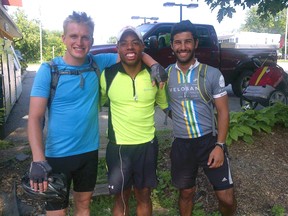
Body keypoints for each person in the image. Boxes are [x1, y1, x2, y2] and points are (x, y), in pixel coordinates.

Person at [27, 11, 166, 216]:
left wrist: (153, 64)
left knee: (84, 206)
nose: (79, 42)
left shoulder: (97, 64)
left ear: (92, 40)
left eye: (85, 37)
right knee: (56, 211)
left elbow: (130, 52)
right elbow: (35, 118)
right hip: (56, 155)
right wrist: (38, 159)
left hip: (88, 153)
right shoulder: (49, 70)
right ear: (63, 38)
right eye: (74, 36)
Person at [166, 20, 237, 215]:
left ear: (195, 43)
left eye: (187, 41)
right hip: (182, 144)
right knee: (186, 193)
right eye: (178, 42)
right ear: (172, 45)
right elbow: (162, 103)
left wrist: (219, 145)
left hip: (209, 142)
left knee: (226, 198)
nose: (183, 47)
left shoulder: (211, 74)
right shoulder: (165, 75)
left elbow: (223, 112)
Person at [100, 26, 168, 216]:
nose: (130, 48)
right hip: (119, 147)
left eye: (135, 43)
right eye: (124, 43)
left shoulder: (155, 76)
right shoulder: (108, 75)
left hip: (147, 145)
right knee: (121, 197)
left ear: (142, 47)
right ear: (118, 48)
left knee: (144, 196)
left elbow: (166, 106)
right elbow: (96, 103)